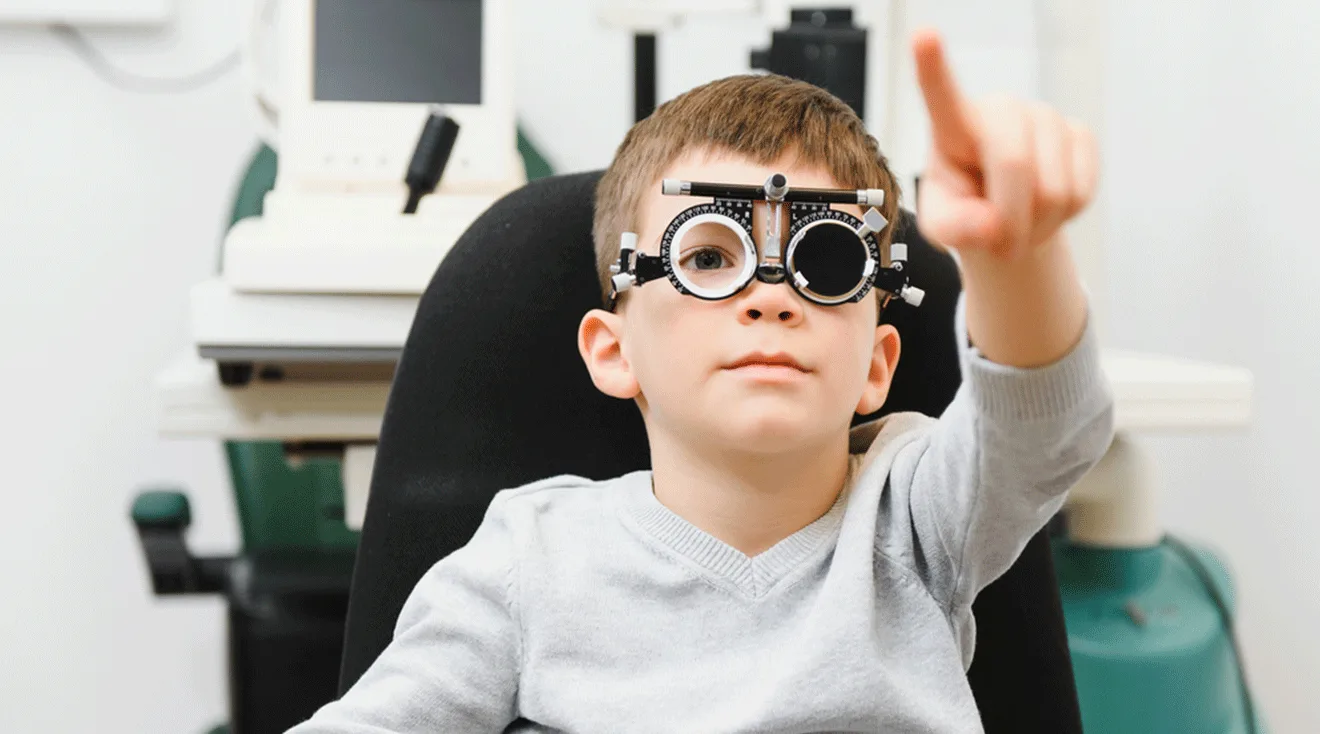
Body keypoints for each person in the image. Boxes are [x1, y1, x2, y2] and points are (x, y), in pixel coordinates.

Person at [288, 28, 1114, 733]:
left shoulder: (915, 520)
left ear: (875, 367)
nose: (770, 296)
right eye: (709, 256)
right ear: (615, 350)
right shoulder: (532, 558)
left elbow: (1041, 428)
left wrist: (1018, 257)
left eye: (823, 262)